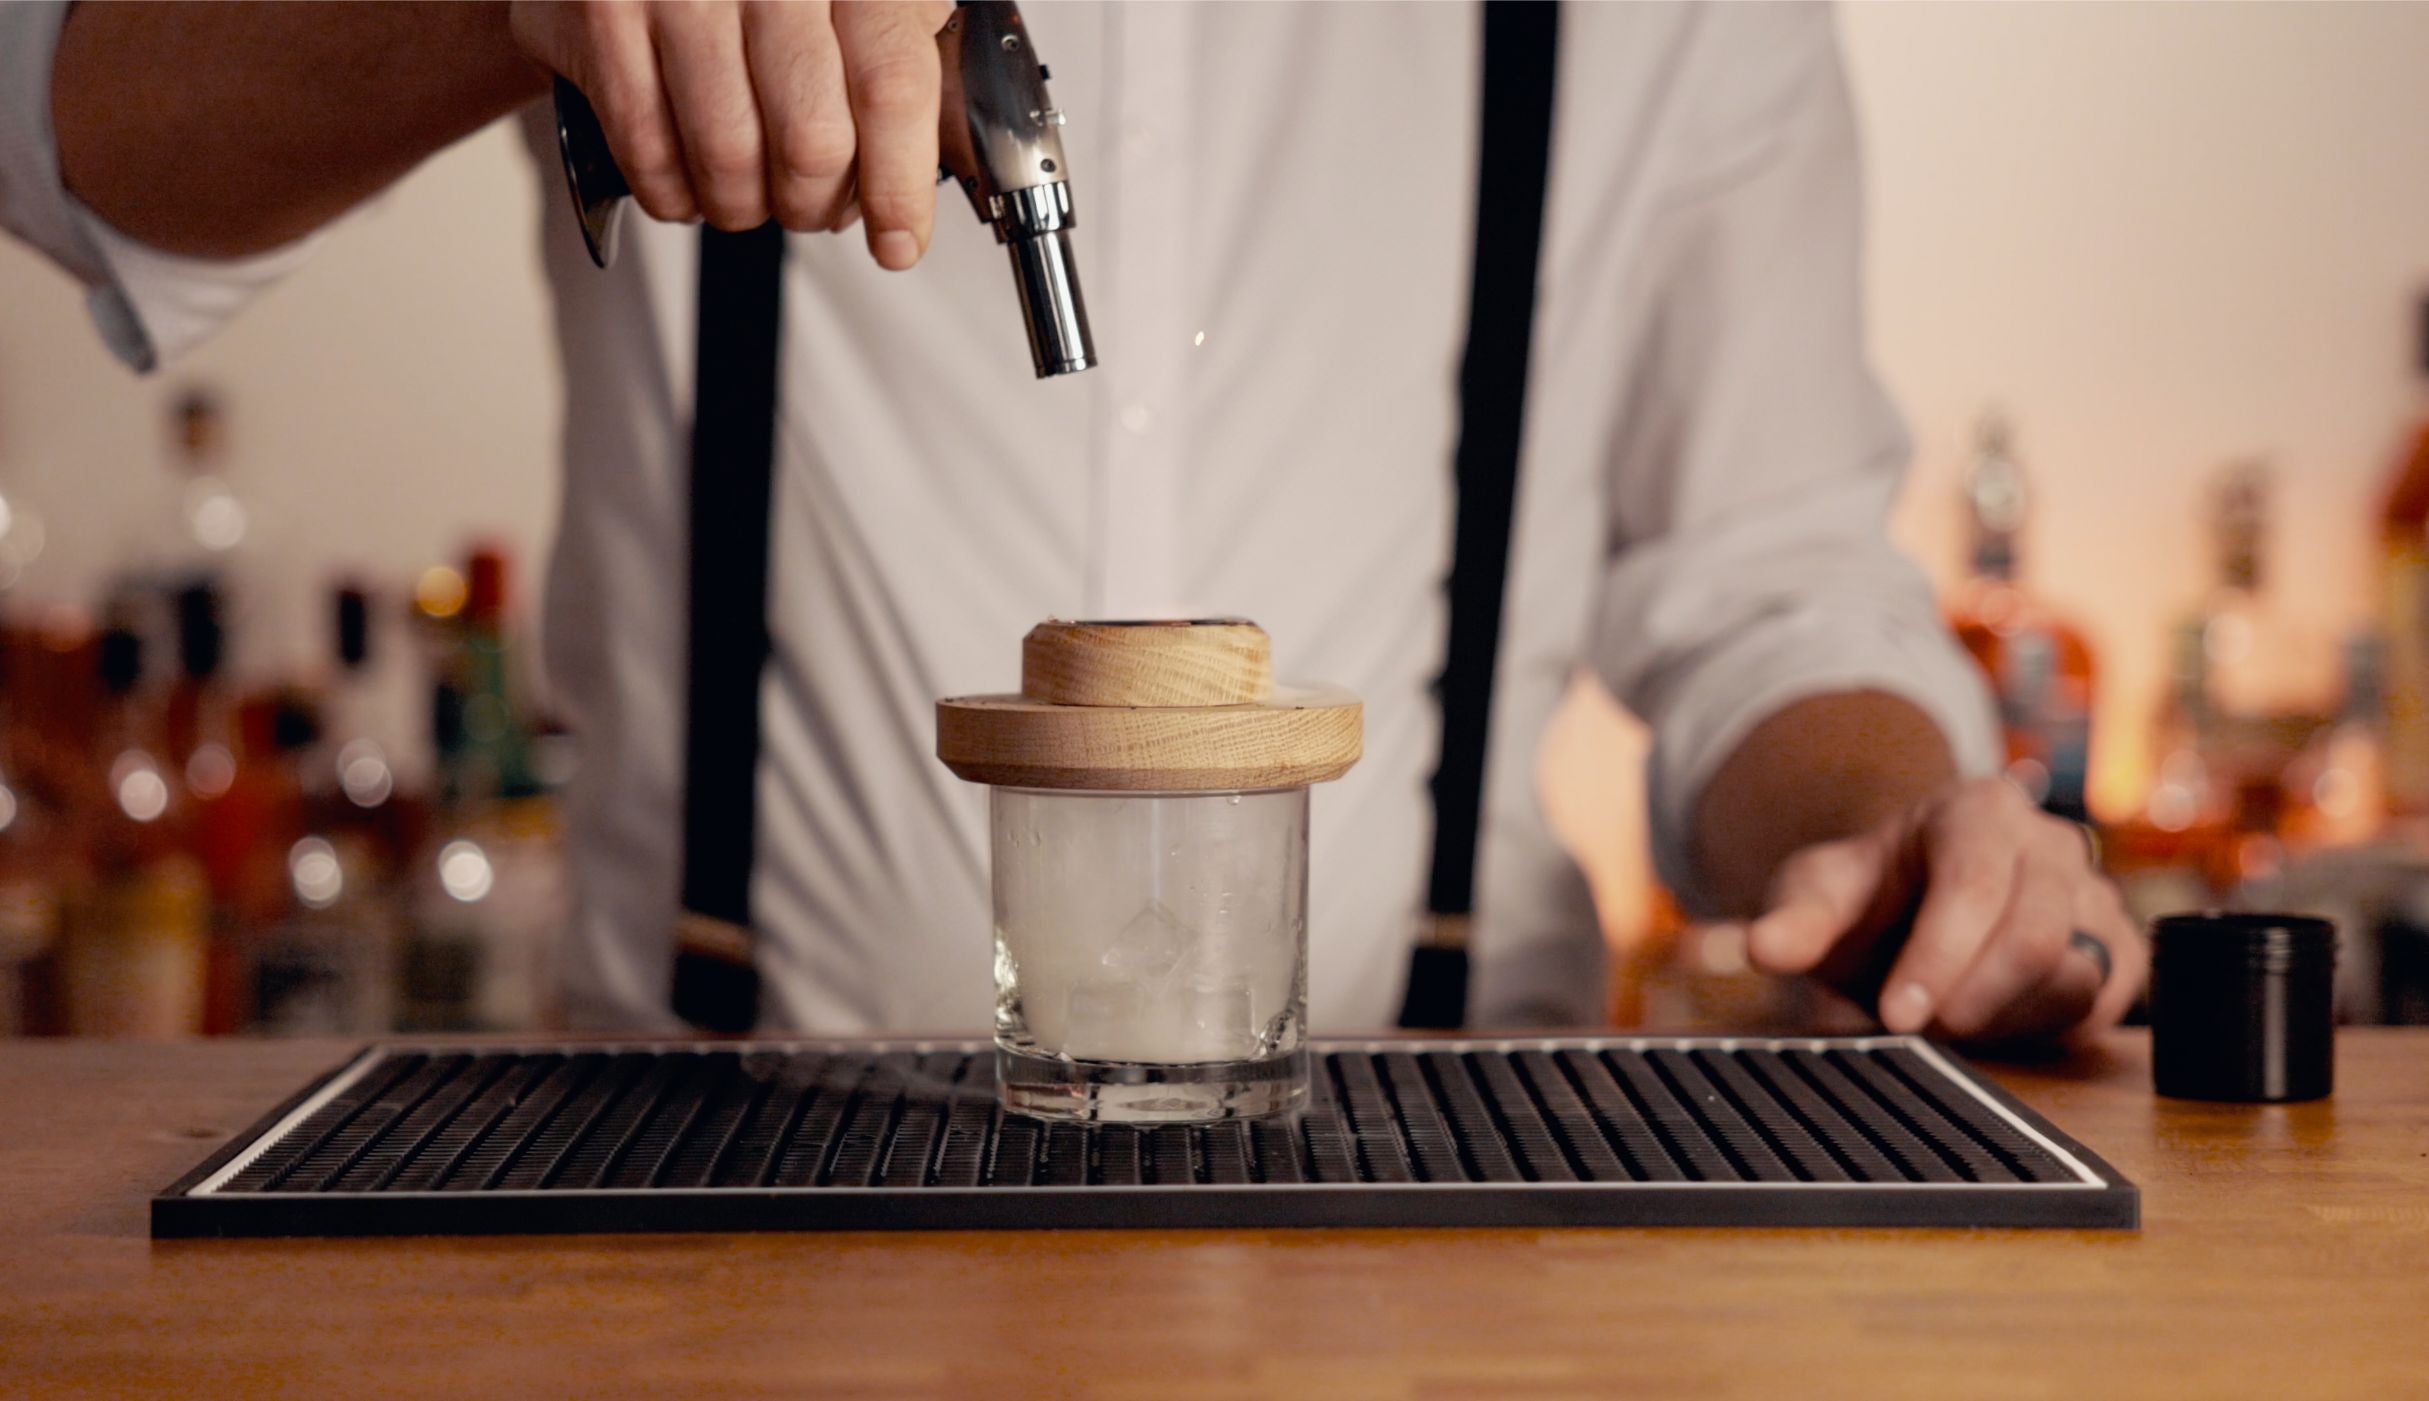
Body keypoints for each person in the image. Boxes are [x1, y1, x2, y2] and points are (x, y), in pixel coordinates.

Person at [2, 1, 2144, 1045]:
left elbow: (1769, 584)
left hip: (1448, 1255)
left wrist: (1899, 826)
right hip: (715, 1242)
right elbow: (67, 135)